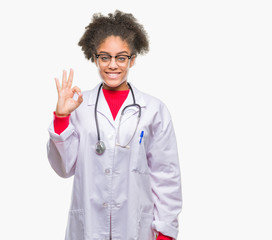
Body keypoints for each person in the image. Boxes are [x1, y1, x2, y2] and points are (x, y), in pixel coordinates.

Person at [47, 10, 182, 240]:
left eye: (121, 57)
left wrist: (165, 232)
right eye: (104, 57)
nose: (112, 65)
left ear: (133, 58)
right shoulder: (78, 106)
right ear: (94, 57)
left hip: (136, 227)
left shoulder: (153, 110)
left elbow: (166, 175)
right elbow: (64, 168)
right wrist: (61, 117)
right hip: (88, 227)